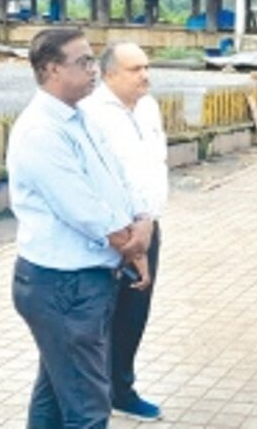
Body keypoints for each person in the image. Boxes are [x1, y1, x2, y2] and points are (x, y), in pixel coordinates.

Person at [8, 28, 152, 428]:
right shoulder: (41, 131)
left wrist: (142, 218)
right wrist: (135, 247)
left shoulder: (80, 117)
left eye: (93, 60)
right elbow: (85, 211)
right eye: (84, 62)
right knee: (88, 409)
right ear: (52, 69)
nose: (94, 69)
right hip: (62, 288)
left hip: (80, 284)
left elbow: (117, 176)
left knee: (55, 395)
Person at [80, 42, 167, 421]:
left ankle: (121, 387)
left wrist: (150, 219)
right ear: (109, 74)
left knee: (135, 310)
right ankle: (93, 393)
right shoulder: (90, 113)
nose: (145, 75)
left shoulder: (148, 107)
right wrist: (126, 232)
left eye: (146, 67)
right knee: (99, 315)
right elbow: (98, 179)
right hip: (112, 232)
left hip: (149, 226)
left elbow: (155, 163)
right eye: (135, 69)